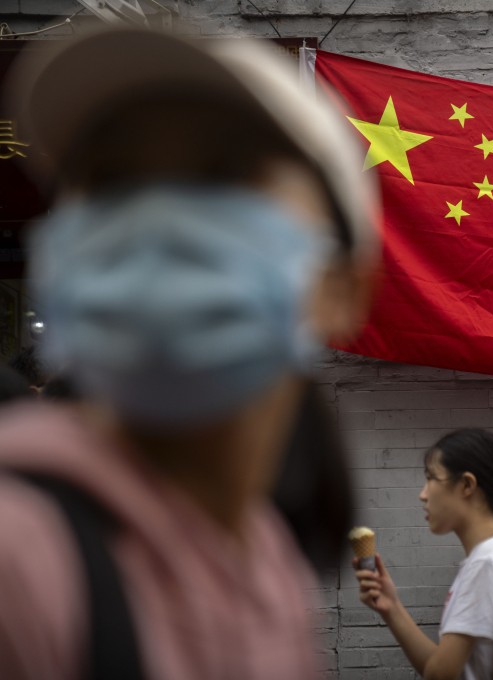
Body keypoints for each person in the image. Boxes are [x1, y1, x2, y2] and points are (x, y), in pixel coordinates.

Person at [0, 28, 378, 679]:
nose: (156, 219)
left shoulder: (269, 569)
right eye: (111, 180)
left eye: (220, 173)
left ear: (341, 289)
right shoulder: (20, 565)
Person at [355, 428, 493, 680]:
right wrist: (391, 608)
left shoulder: (489, 560)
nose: (422, 494)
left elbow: (440, 675)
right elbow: (442, 667)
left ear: (467, 484)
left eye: (431, 478)